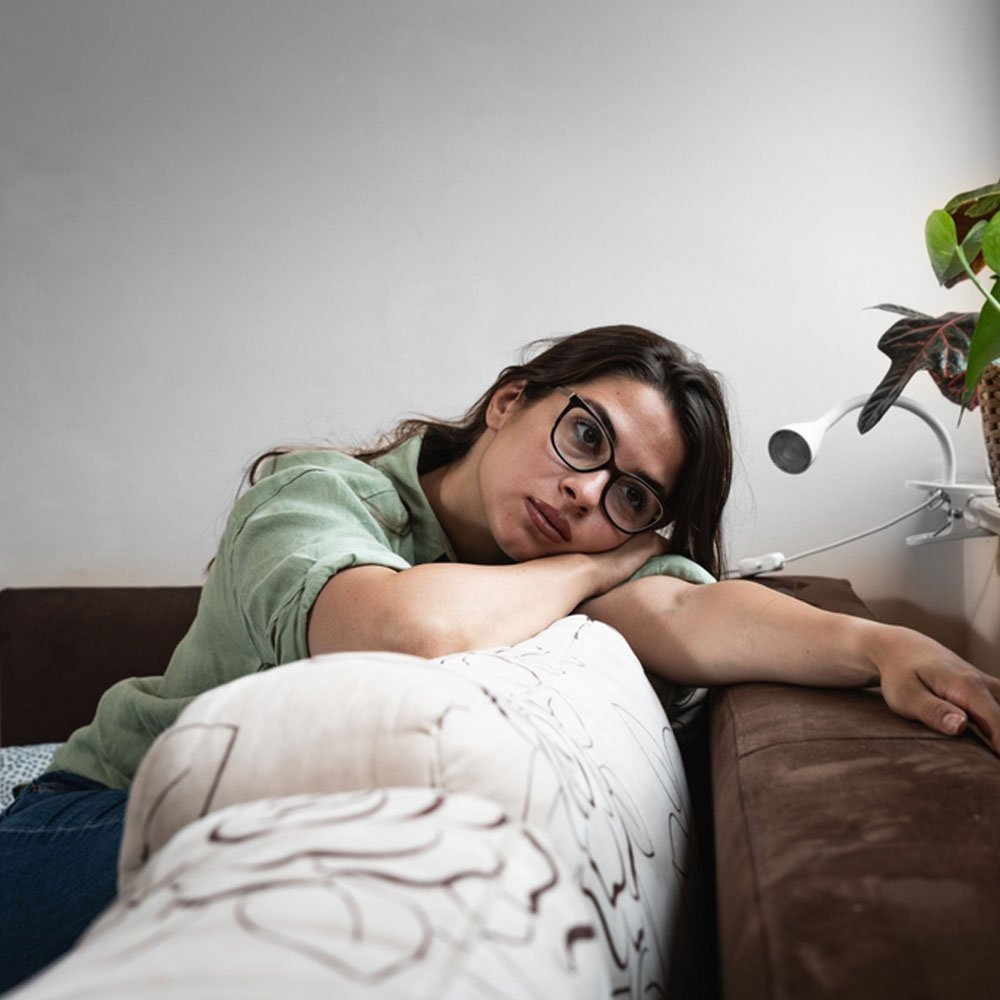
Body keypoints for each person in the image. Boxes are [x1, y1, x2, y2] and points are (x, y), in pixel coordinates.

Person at [2, 324, 998, 993]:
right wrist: (595, 562)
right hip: (87, 816)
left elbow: (693, 613)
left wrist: (883, 645)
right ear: (509, 401)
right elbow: (397, 629)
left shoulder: (575, 565)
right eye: (584, 437)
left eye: (633, 496)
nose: (587, 493)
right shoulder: (320, 493)